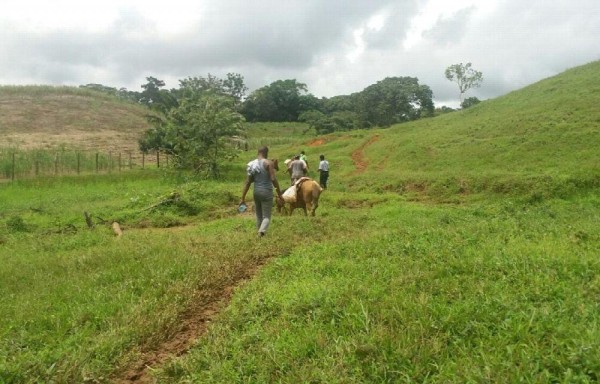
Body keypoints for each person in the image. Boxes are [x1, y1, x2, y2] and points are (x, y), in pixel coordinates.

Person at [240, 146, 283, 237]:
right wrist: (279, 194)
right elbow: (273, 179)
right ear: (266, 153)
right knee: (266, 216)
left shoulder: (252, 164)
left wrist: (242, 198)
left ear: (258, 152)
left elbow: (248, 182)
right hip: (266, 192)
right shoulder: (268, 163)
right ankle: (261, 232)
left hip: (256, 192)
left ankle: (259, 234)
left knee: (259, 216)